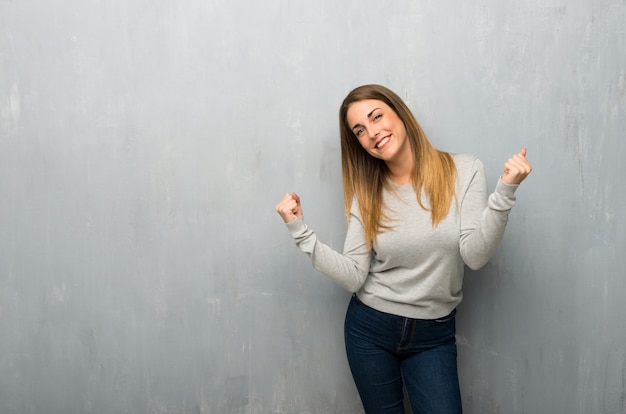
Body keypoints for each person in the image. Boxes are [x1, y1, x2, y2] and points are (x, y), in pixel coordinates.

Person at [275, 84, 532, 414]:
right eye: (360, 131)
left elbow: (475, 255)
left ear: (399, 112)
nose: (373, 133)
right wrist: (301, 233)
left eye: (377, 116)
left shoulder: (465, 170)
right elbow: (355, 276)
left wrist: (505, 193)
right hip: (370, 331)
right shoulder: (365, 193)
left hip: (433, 334)